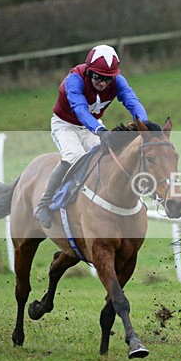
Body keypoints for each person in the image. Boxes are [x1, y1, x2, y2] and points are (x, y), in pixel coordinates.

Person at [34, 44, 148, 228]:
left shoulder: (118, 81)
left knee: (109, 157)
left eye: (108, 79)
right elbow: (80, 110)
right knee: (75, 157)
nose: (103, 83)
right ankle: (43, 204)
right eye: (98, 77)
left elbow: (132, 101)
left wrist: (144, 124)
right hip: (66, 125)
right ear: (89, 71)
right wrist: (100, 131)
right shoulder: (74, 80)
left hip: (92, 127)